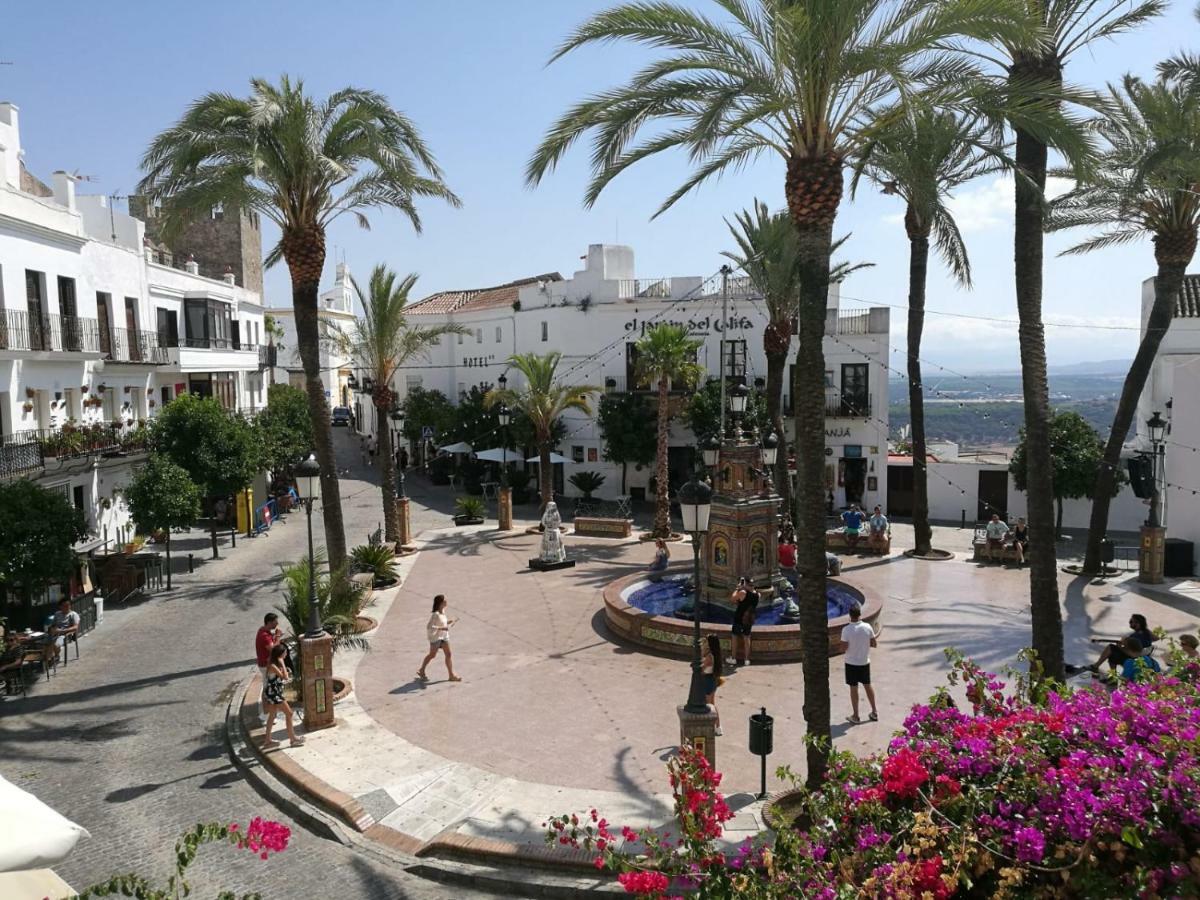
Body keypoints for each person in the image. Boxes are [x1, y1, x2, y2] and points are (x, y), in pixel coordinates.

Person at [839, 604, 879, 723]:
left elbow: (843, 648)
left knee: (853, 688)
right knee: (868, 685)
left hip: (851, 663)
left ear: (850, 615)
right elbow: (874, 644)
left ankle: (856, 716)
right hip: (864, 662)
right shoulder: (867, 627)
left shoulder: (846, 630)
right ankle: (874, 712)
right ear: (859, 614)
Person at [261, 643, 304, 749]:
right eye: (285, 654)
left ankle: (268, 741)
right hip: (274, 694)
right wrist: (282, 663)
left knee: (272, 716)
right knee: (289, 713)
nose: (286, 655)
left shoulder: (273, 664)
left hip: (272, 693)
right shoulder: (273, 665)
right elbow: (285, 677)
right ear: (280, 655)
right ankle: (293, 739)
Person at [417, 594, 462, 682]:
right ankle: (421, 670)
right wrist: (442, 628)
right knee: (432, 655)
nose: (446, 601)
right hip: (436, 638)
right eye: (444, 600)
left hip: (444, 637)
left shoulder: (443, 611)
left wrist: (450, 621)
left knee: (448, 654)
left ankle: (451, 675)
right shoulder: (435, 614)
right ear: (440, 603)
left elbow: (442, 622)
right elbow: (429, 627)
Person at [1090, 614, 1155, 674]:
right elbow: (1156, 638)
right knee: (1113, 650)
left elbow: (1133, 655)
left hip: (1135, 660)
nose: (1130, 623)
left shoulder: (1134, 637)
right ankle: (1098, 667)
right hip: (1144, 657)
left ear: (1138, 624)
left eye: (1131, 621)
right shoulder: (1147, 632)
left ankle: (1099, 668)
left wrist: (1120, 646)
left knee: (1111, 650)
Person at [255, 613, 283, 721]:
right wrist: (278, 637)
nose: (277, 623)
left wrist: (275, 636)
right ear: (270, 622)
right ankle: (266, 714)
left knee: (267, 687)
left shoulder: (263, 631)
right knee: (267, 689)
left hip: (265, 665)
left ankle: (268, 712)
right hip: (266, 666)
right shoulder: (264, 636)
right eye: (275, 622)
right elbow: (274, 650)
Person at [729, 577, 759, 667]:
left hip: (739, 618)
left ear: (745, 584)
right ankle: (747, 660)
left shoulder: (743, 592)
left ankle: (733, 659)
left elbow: (732, 599)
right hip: (749, 619)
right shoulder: (758, 595)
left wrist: (737, 589)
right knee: (747, 638)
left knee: (734, 637)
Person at [702, 634, 724, 736]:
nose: (704, 642)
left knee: (709, 705)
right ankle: (718, 727)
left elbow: (700, 669)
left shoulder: (709, 657)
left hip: (707, 681)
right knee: (712, 704)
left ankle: (714, 726)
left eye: (706, 640)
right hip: (712, 680)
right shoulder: (715, 654)